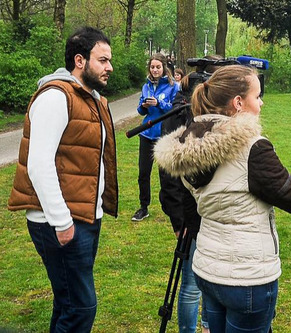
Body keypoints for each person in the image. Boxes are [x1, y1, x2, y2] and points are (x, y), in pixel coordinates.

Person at [154, 65, 291, 332]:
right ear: (238, 103)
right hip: (247, 279)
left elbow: (191, 213)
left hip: (207, 268)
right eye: (257, 96)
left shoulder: (186, 144)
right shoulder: (253, 148)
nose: (261, 104)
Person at [7, 26, 118, 332]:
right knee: (81, 307)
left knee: (68, 301)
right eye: (103, 60)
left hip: (83, 217)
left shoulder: (91, 98)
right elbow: (39, 163)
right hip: (60, 222)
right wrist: (62, 221)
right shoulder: (56, 97)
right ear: (80, 61)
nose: (109, 67)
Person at [161, 56, 224, 333]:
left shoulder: (215, 113)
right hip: (191, 216)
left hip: (213, 213)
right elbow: (168, 174)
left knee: (210, 283)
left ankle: (209, 325)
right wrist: (179, 220)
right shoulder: (181, 112)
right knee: (189, 285)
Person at [132, 53, 179, 221]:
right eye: (152, 67)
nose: (155, 70)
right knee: (143, 173)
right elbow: (139, 110)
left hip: (164, 134)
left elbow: (176, 109)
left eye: (158, 67)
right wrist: (144, 106)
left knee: (165, 175)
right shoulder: (146, 86)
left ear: (164, 68)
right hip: (147, 134)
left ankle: (170, 206)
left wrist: (159, 103)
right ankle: (143, 207)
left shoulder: (174, 86)